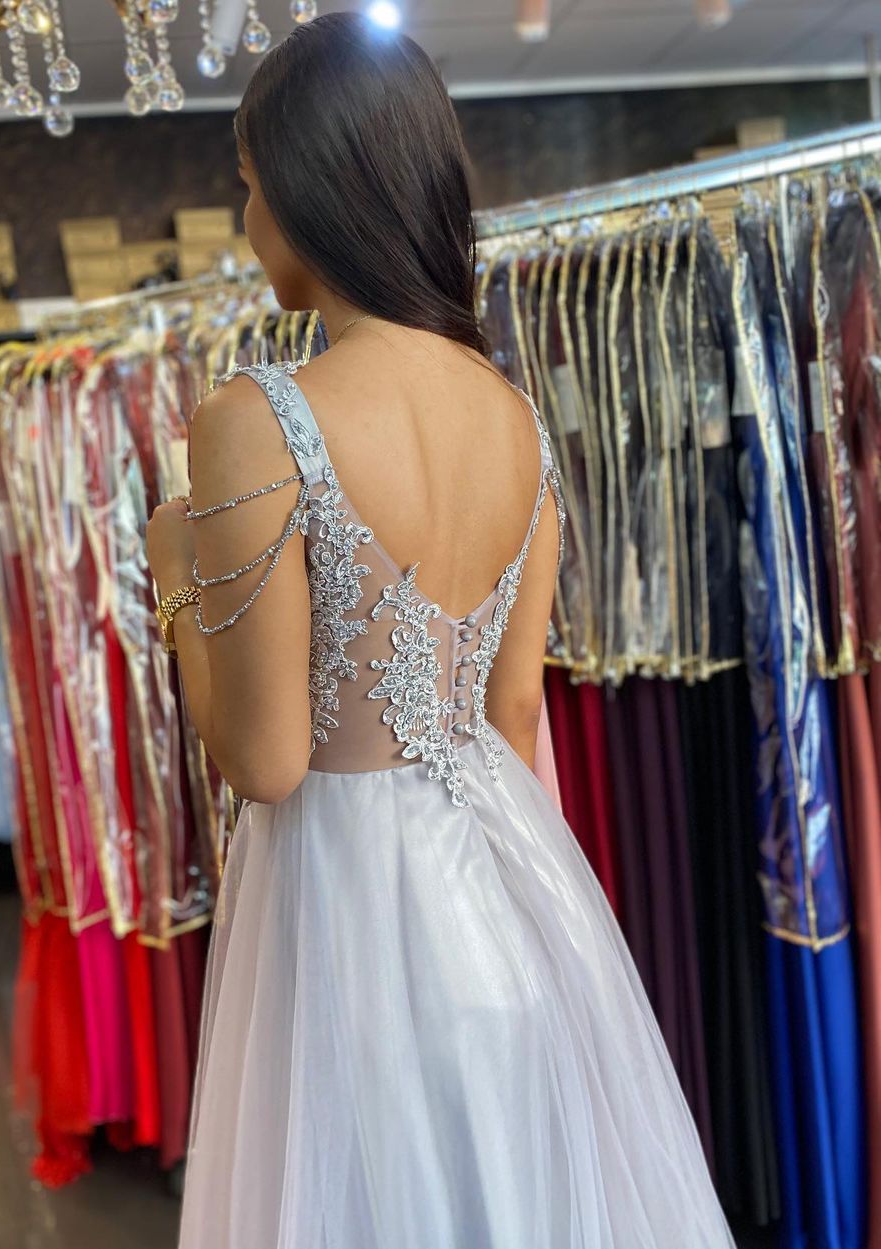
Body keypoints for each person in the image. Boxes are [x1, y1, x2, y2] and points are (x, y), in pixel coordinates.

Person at [146, 12, 737, 1247]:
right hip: (510, 895)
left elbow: (264, 761)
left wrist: (177, 577)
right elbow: (514, 712)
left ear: (306, 189)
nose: (247, 221)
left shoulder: (255, 416)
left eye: (250, 185)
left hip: (348, 914)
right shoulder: (509, 411)